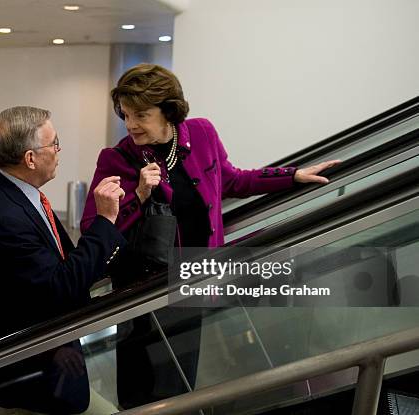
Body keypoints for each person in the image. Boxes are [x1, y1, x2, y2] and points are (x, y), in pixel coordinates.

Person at [80, 63, 341, 409]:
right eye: (125, 115)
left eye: (140, 115)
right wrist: (139, 195)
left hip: (195, 283)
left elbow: (233, 180)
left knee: (180, 389)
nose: (130, 125)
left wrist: (292, 177)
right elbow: (92, 227)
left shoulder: (200, 134)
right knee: (143, 397)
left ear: (168, 110)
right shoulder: (117, 159)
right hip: (144, 297)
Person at [0, 106, 126, 414]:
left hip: (49, 353)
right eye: (54, 143)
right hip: (35, 365)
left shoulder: (19, 194)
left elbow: (60, 260)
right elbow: (61, 283)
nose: (59, 150)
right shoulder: (5, 215)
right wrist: (105, 219)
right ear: (30, 158)